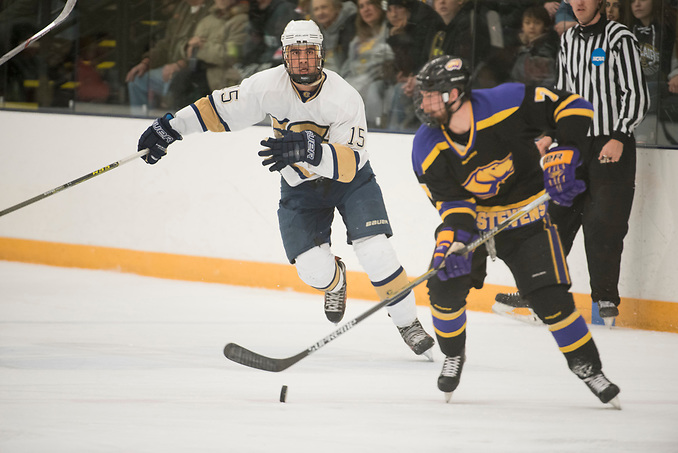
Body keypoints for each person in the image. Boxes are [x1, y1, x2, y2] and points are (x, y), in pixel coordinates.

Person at [135, 20, 435, 358]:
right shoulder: (267, 85)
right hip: (300, 187)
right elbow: (220, 109)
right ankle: (335, 280)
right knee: (312, 270)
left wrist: (310, 150)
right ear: (285, 55)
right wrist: (171, 128)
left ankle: (409, 324)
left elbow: (349, 163)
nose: (303, 60)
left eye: (310, 52)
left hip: (351, 184)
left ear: (321, 55)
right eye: (296, 53)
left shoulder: (344, 98)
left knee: (375, 251)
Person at [411, 55, 621, 407]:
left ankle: (589, 368)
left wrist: (565, 148)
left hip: (524, 220)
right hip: (473, 224)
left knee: (550, 299)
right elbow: (453, 207)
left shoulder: (505, 101)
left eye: (433, 94)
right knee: (443, 287)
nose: (425, 102)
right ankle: (453, 354)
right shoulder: (426, 145)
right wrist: (457, 244)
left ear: (456, 94)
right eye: (424, 95)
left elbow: (575, 105)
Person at [495, 0, 649, 327]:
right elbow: (565, 95)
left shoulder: (620, 37)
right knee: (554, 219)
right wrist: (551, 132)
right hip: (574, 146)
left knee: (603, 224)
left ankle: (604, 301)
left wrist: (620, 136)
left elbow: (636, 94)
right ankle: (538, 293)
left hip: (611, 145)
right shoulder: (567, 40)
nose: (579, 3)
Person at [126, 0, 212, 113]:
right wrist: (146, 62)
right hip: (169, 68)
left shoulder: (211, 10)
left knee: (174, 85)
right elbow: (166, 44)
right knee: (136, 80)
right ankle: (140, 122)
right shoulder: (182, 8)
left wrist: (180, 64)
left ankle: (170, 126)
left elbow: (205, 48)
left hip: (194, 71)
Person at [168, 0, 249, 107]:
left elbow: (231, 55)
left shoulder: (240, 21)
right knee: (179, 81)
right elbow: (190, 44)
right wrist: (188, 47)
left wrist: (200, 49)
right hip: (198, 71)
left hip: (222, 76)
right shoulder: (207, 20)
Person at [340, 0, 395, 128]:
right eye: (361, 6)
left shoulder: (390, 31)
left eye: (370, 4)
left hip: (378, 84)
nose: (366, 9)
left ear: (380, 5)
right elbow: (348, 65)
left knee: (373, 91)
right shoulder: (357, 38)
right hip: (355, 83)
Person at [237, 0, 299, 78]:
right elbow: (253, 44)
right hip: (262, 62)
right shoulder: (256, 9)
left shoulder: (284, 10)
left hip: (278, 68)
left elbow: (285, 46)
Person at [510, 4, 560, 86]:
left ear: (545, 26)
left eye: (537, 23)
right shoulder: (523, 47)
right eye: (527, 23)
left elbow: (546, 81)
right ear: (522, 26)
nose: (532, 26)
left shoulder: (545, 50)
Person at [311, 0, 356, 72]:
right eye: (316, 9)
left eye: (324, 7)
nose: (320, 12)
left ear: (336, 8)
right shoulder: (316, 30)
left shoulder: (351, 26)